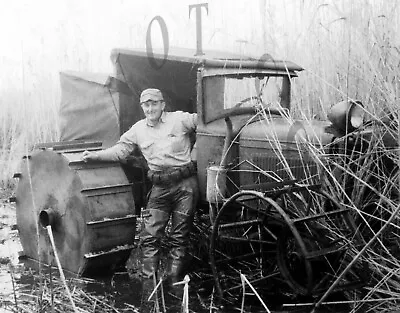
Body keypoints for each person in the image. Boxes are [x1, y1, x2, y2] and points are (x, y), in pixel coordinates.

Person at [82, 88, 198, 294]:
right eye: (146, 104)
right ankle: (150, 288)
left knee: (180, 236)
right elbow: (120, 151)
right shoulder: (138, 129)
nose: (150, 108)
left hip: (184, 187)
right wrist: (95, 156)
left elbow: (206, 123)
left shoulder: (180, 119)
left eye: (154, 103)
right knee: (150, 236)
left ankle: (174, 284)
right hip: (160, 188)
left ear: (163, 105)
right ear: (142, 107)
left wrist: (198, 152)